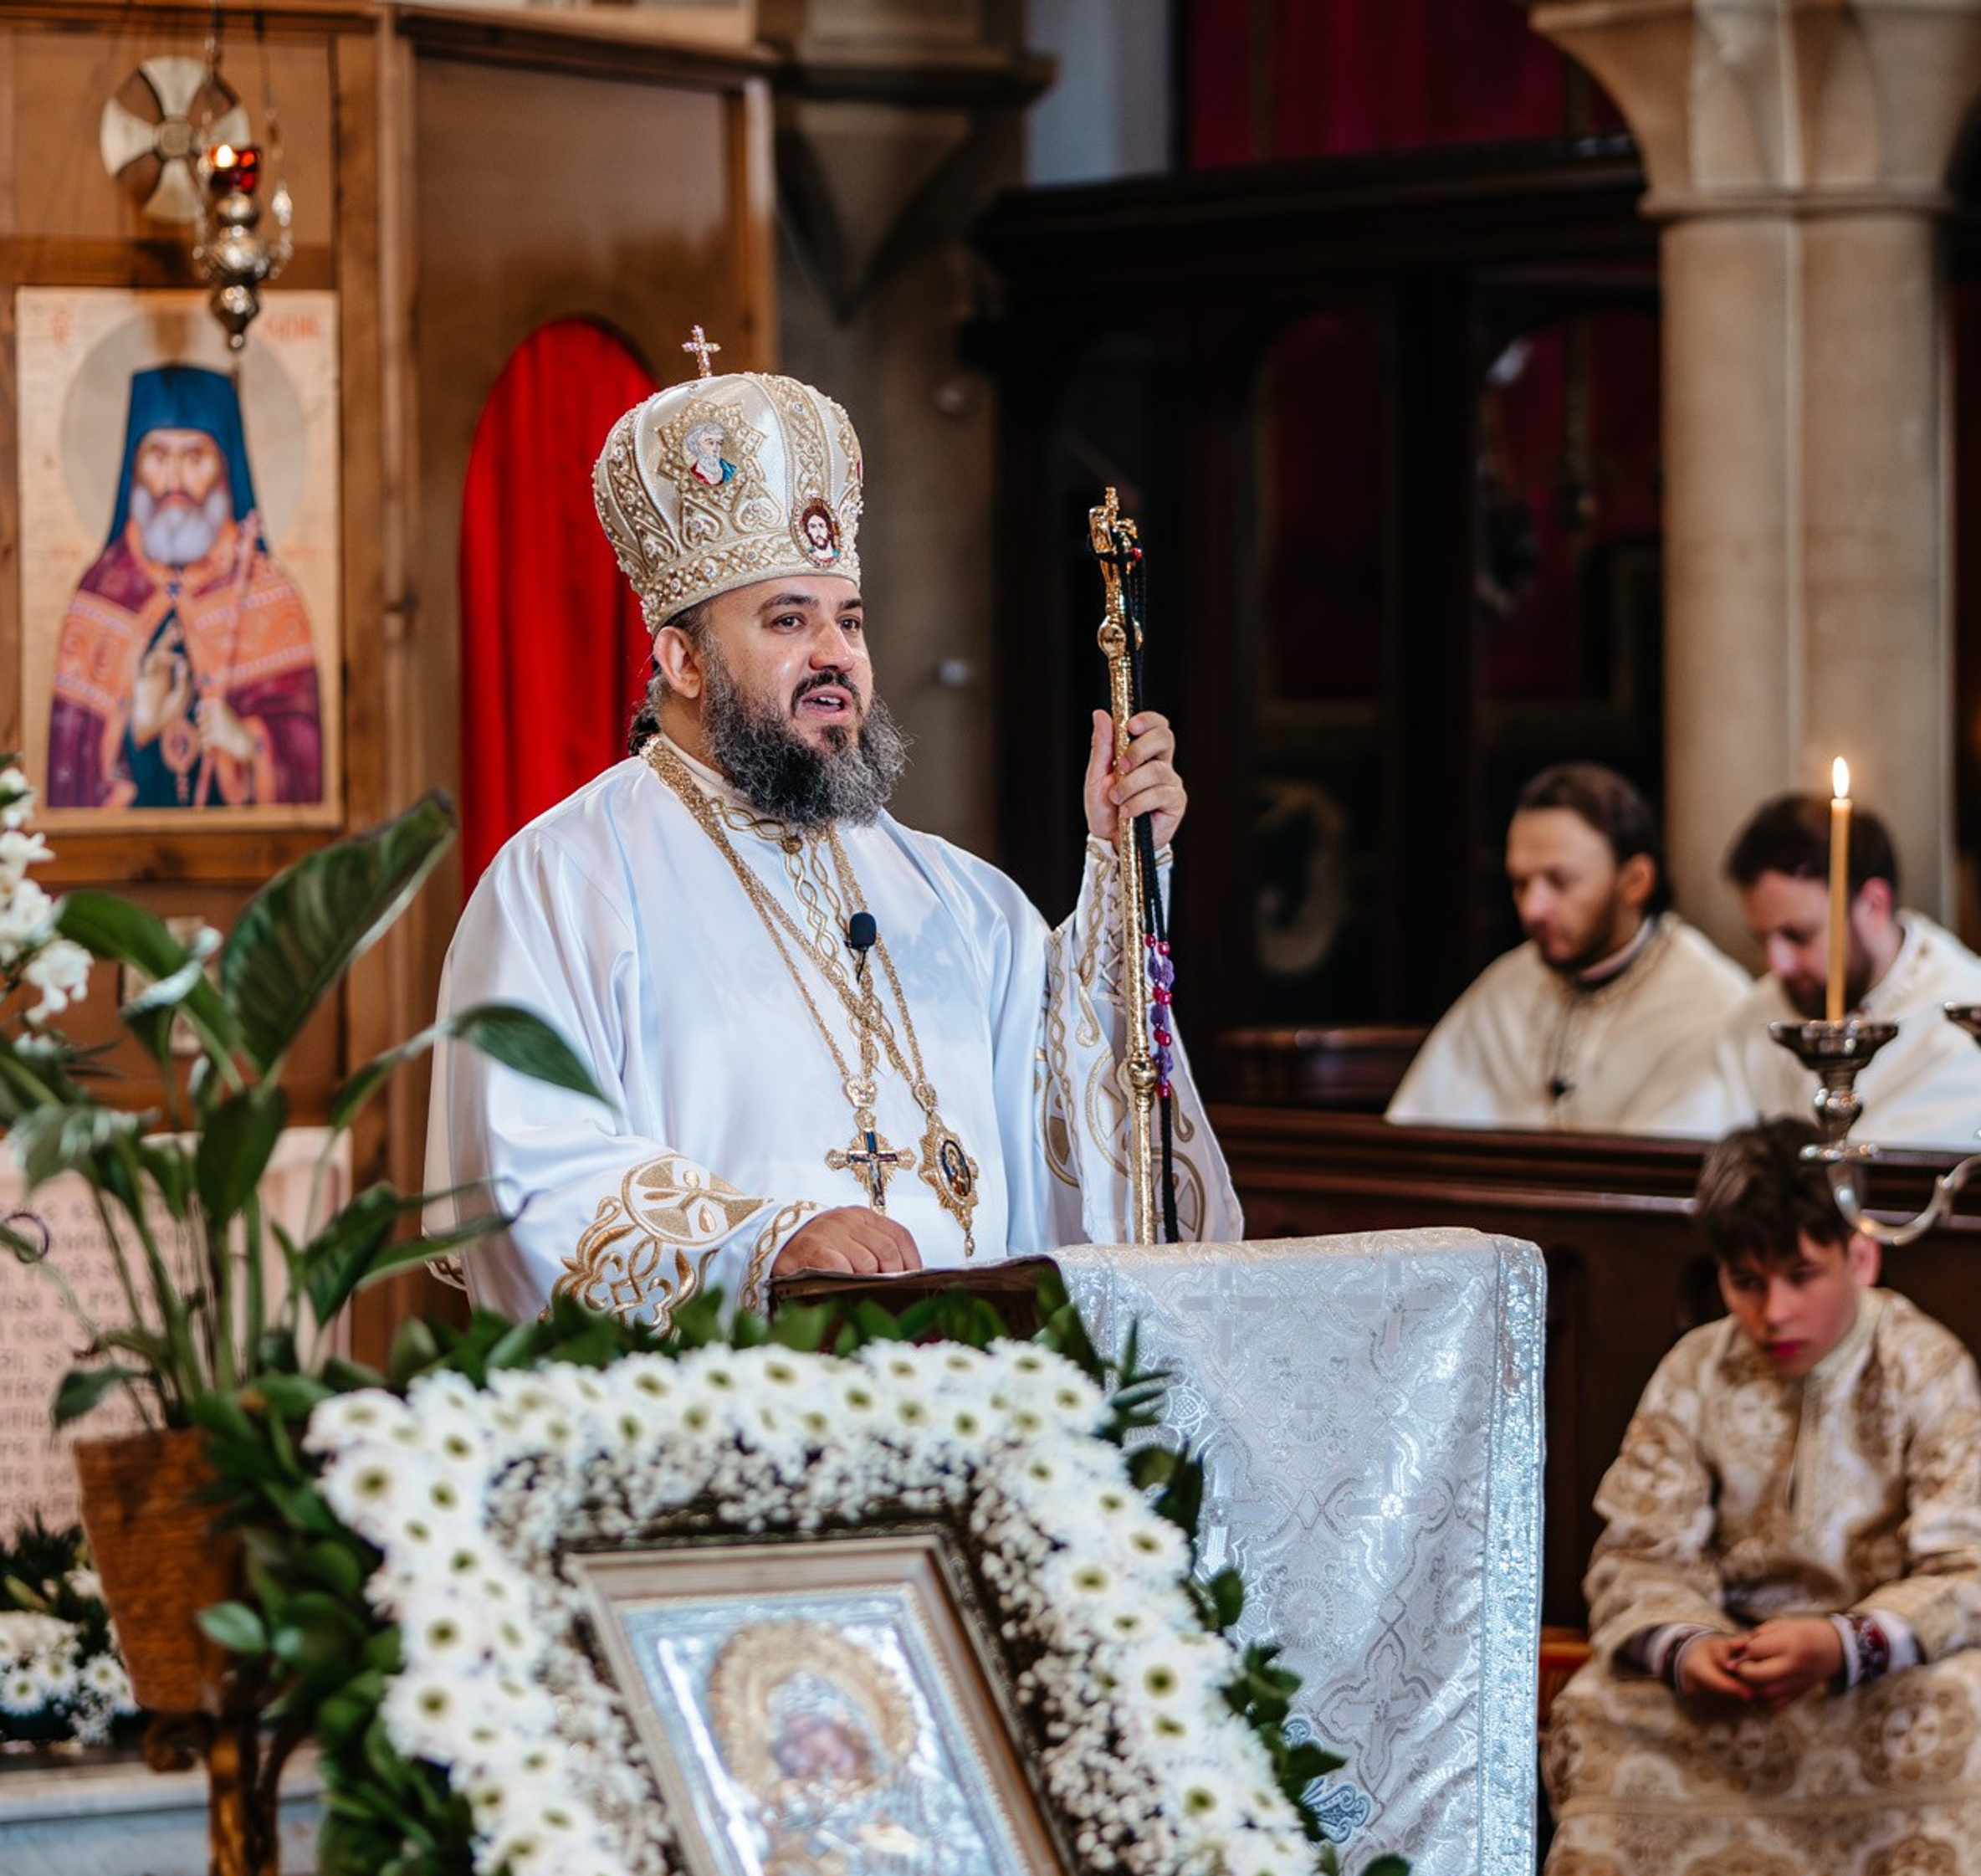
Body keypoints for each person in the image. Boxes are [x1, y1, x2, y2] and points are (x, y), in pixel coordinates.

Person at [427, 361, 1240, 1325]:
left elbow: (1087, 1139)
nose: (836, 655)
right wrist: (762, 1247)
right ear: (681, 660)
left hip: (978, 1403)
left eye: (848, 620)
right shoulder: (560, 883)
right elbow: (525, 1172)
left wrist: (1121, 876)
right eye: (788, 620)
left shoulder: (958, 897)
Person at [1533, 1118, 1981, 1876]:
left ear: (1858, 1252)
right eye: (1743, 1280)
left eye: (1801, 1275)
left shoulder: (1922, 1363)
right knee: (1597, 1704)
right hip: (1729, 1654)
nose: (1772, 1311)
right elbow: (1633, 1557)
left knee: (1975, 1701)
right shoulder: (1695, 1371)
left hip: (1882, 1664)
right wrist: (1687, 1648)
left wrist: (1847, 1644)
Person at [1384, 764, 1748, 1133]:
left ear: (1635, 881)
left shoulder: (1709, 1003)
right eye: (1520, 883)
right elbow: (1416, 1138)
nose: (1531, 909)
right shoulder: (1506, 986)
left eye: (1559, 881)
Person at [46, 364, 322, 812]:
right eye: (157, 456)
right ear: (133, 468)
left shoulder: (266, 594)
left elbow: (307, 768)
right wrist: (137, 726)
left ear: (225, 469)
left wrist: (246, 741)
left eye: (194, 457)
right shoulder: (100, 597)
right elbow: (67, 779)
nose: (173, 481)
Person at [1692, 795, 1981, 1146]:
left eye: (1798, 936)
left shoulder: (1970, 1023)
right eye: (1763, 939)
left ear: (1873, 905)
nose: (1778, 965)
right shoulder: (1752, 1018)